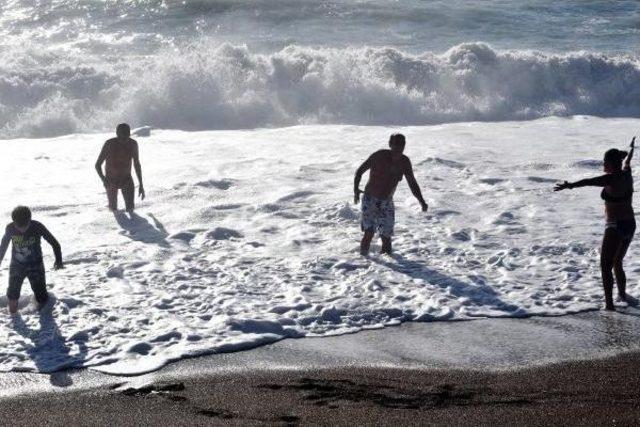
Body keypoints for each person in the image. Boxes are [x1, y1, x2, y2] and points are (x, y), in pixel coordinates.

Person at [555, 137, 636, 311]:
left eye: (605, 162)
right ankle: (622, 295)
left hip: (615, 225)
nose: (603, 165)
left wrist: (569, 186)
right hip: (630, 224)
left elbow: (588, 181)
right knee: (617, 262)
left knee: (605, 265)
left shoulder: (611, 179)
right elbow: (628, 159)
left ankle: (609, 306)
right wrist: (631, 148)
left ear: (612, 163)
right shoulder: (627, 173)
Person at [354, 133, 429, 255]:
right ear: (390, 145)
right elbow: (359, 171)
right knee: (369, 232)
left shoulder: (404, 162)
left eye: (401, 147)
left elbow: (412, 183)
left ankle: (388, 270)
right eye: (396, 146)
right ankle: (363, 261)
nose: (398, 150)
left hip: (387, 202)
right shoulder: (378, 156)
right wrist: (356, 190)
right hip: (370, 199)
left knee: (386, 236)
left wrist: (421, 201)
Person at [0, 206, 63, 314]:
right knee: (12, 294)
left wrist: (58, 260)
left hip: (36, 266)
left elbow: (55, 243)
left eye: (25, 226)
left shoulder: (37, 227)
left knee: (42, 297)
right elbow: (3, 246)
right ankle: (13, 318)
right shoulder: (10, 228)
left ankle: (43, 316)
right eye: (19, 226)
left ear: (30, 220)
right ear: (13, 222)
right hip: (17, 265)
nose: (22, 229)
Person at [95, 123, 145, 212]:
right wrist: (103, 179)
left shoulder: (133, 144)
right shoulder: (109, 144)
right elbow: (98, 164)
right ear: (117, 134)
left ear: (130, 133)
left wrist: (141, 184)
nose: (125, 137)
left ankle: (135, 226)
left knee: (130, 209)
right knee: (113, 210)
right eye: (122, 134)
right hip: (111, 181)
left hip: (126, 179)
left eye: (127, 134)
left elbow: (137, 164)